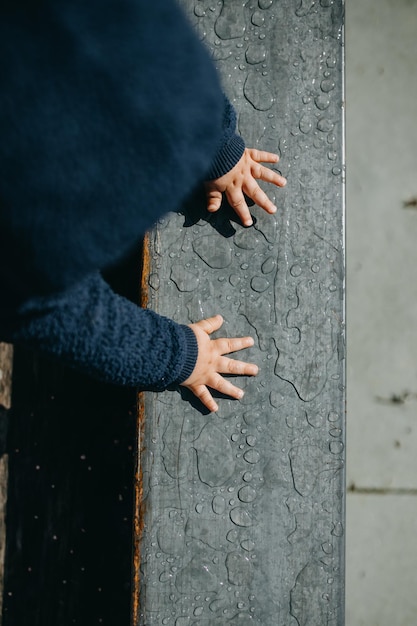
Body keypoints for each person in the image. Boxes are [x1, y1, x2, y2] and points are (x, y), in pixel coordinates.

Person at [0, 0, 286, 413]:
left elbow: (154, 59)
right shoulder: (23, 251)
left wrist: (213, 142)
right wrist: (180, 356)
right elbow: (67, 317)